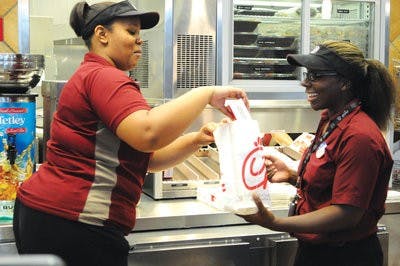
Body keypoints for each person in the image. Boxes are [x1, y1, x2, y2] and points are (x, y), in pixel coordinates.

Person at [12, 1, 249, 266]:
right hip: (75, 221)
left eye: (140, 34)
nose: (139, 41)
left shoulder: (91, 74)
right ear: (102, 34)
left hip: (47, 215)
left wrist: (197, 139)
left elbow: (147, 155)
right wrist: (205, 92)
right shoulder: (105, 77)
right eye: (131, 32)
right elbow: (148, 133)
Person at [240, 40, 395, 266]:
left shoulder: (359, 137)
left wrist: (275, 223)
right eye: (307, 74)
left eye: (316, 76)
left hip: (345, 257)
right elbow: (334, 184)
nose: (306, 83)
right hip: (317, 252)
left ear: (345, 82)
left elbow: (347, 214)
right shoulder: (330, 119)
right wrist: (293, 174)